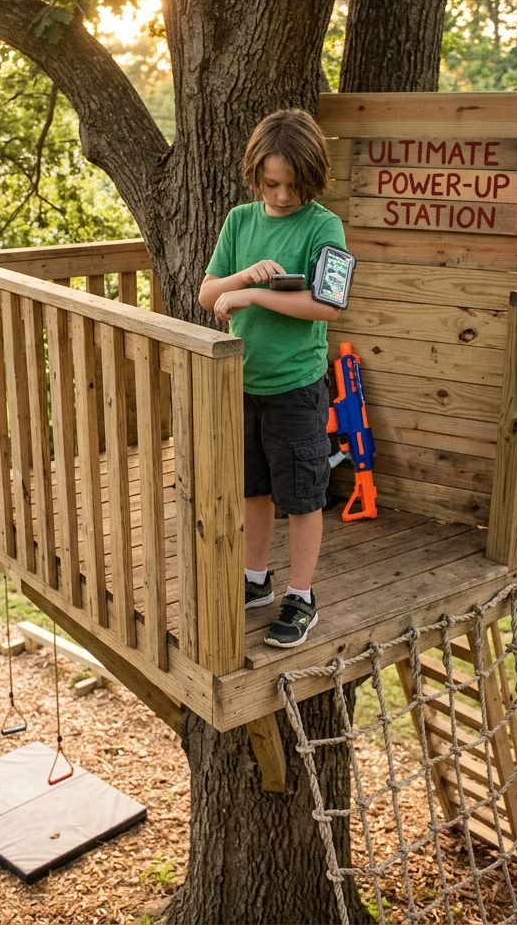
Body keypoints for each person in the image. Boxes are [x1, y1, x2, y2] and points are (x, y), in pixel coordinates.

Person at [198, 108, 347, 648]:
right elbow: (208, 294)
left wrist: (259, 295)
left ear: (313, 179)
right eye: (272, 184)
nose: (282, 197)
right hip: (242, 384)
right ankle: (255, 579)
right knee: (253, 490)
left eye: (293, 186)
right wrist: (244, 275)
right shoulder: (240, 221)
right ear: (256, 175)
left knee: (303, 496)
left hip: (296, 389)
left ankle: (301, 595)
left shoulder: (323, 225)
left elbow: (330, 305)